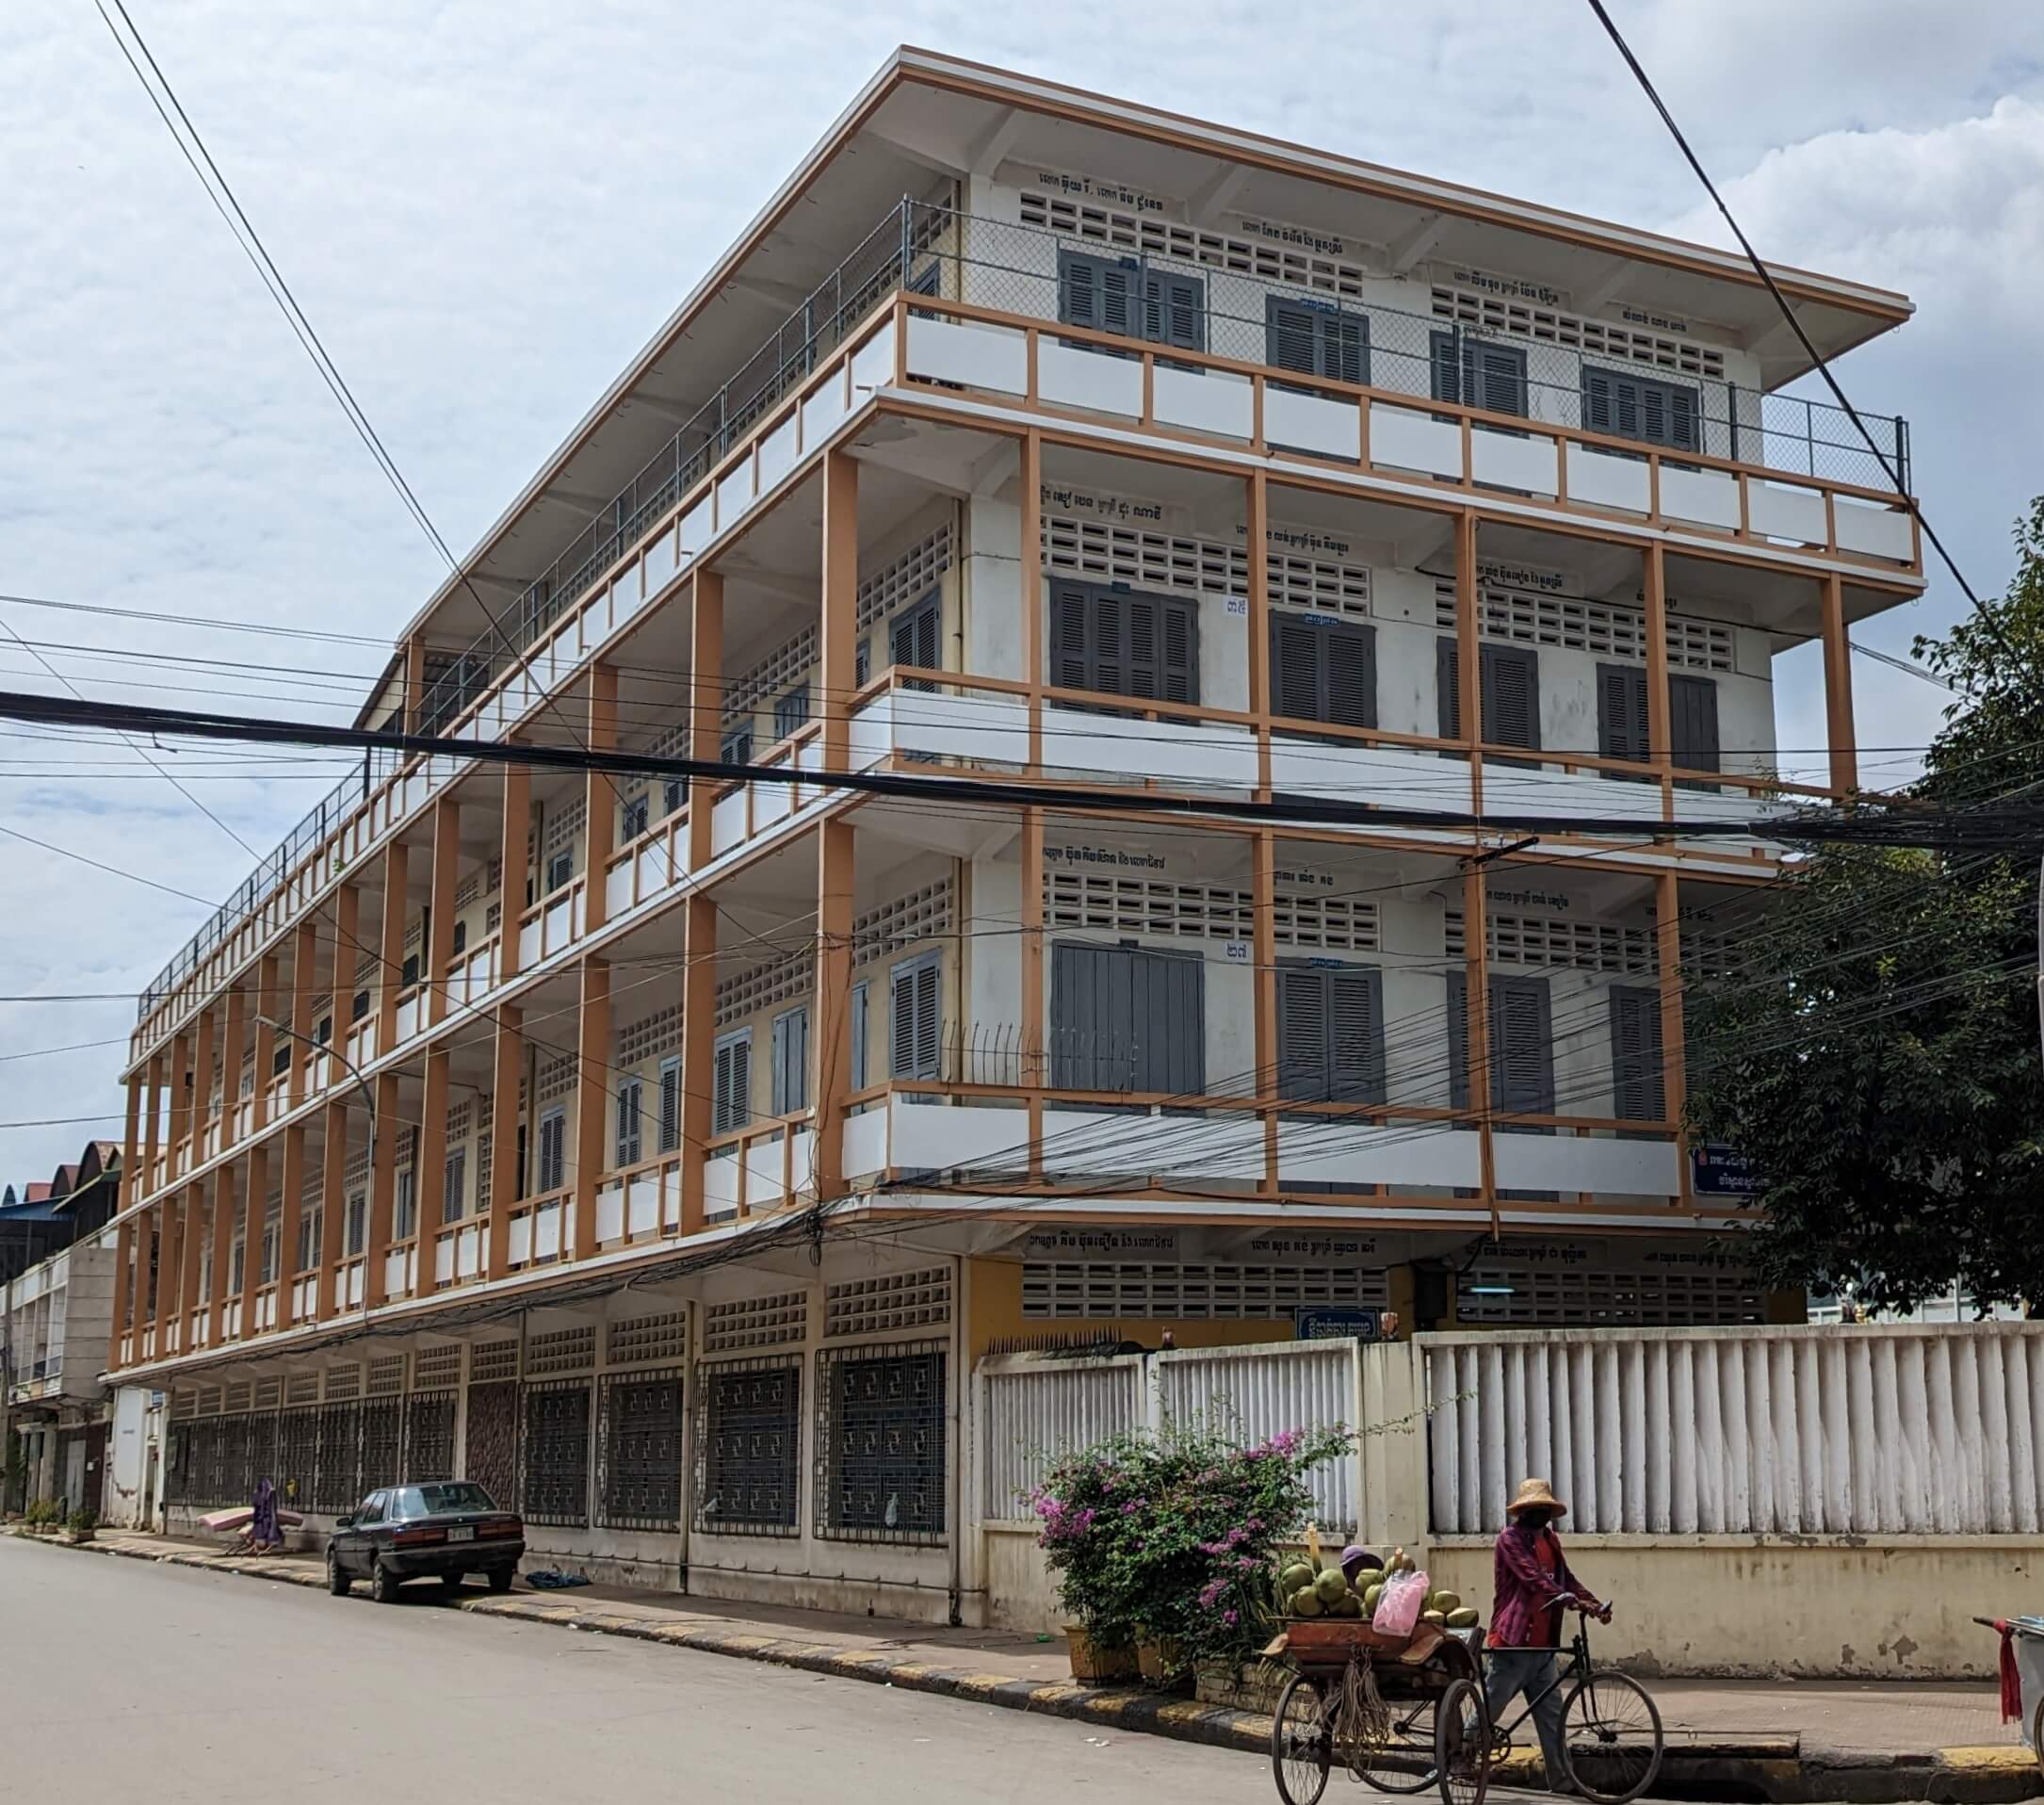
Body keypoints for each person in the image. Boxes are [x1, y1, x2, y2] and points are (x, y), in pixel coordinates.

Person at [1485, 1478, 1608, 1794]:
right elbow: (1533, 1578)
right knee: (1490, 1710)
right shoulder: (1510, 1540)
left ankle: (1563, 1782)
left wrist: (1593, 1603)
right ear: (1523, 1512)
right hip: (1514, 1642)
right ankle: (1458, 1757)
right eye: (1535, 1508)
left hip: (1543, 1645)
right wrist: (1570, 1600)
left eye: (1545, 1508)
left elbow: (1566, 1579)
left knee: (1552, 1717)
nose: (1541, 1514)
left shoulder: (1550, 1540)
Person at [250, 1476, 283, 1553]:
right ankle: (260, 1546)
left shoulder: (267, 1493)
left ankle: (261, 1546)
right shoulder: (265, 1492)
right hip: (262, 1518)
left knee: (266, 1529)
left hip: (264, 1518)